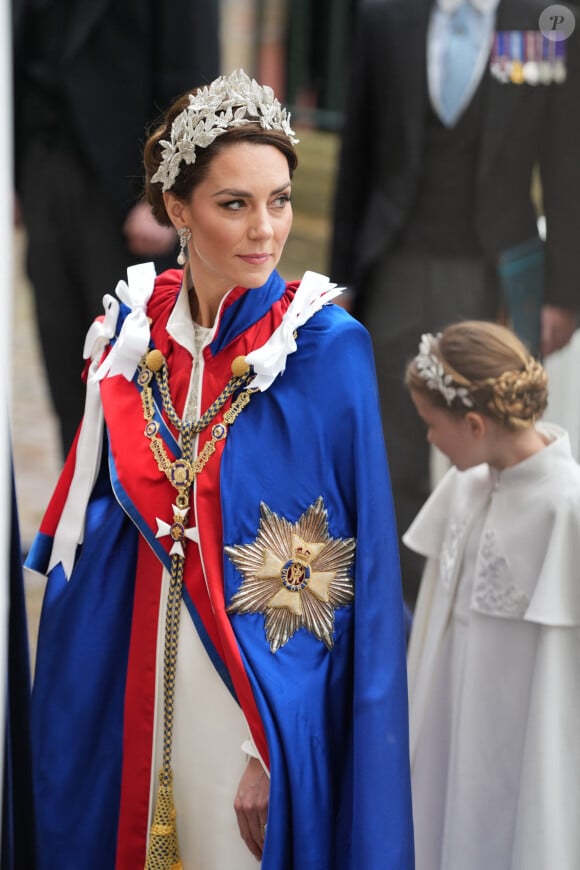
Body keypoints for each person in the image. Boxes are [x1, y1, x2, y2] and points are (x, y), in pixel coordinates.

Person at [24, 70, 414, 869]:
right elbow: (84, 532)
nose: (265, 229)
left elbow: (349, 580)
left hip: (249, 708)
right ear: (177, 209)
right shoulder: (133, 339)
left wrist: (267, 747)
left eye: (279, 200)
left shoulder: (325, 350)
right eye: (233, 204)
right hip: (136, 681)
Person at [329, 0, 580, 608]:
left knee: (496, 445)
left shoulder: (546, 20)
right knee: (394, 453)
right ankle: (407, 611)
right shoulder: (385, 17)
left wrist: (564, 293)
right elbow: (356, 152)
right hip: (394, 268)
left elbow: (566, 160)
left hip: (497, 279)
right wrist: (343, 279)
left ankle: (492, 604)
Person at [403, 321, 580, 869]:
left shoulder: (566, 509)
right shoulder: (465, 484)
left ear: (475, 424)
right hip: (447, 730)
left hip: (522, 738)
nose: (429, 438)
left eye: (433, 425)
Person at [12, 0, 220, 457]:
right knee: (67, 359)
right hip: (43, 166)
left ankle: (138, 521)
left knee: (134, 382)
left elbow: (192, 75)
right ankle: (80, 518)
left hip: (129, 193)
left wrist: (168, 195)